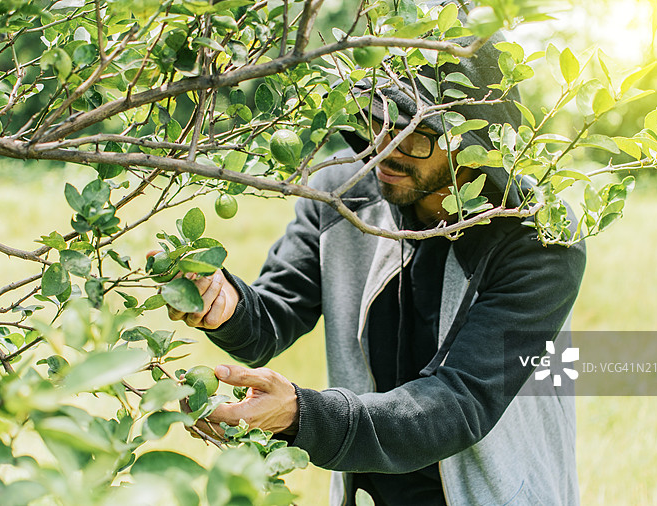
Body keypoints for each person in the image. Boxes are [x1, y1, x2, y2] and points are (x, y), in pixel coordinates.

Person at [164, 12, 586, 506]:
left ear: (473, 146)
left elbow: (460, 403)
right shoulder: (341, 193)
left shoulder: (538, 238)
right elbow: (275, 313)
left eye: (417, 135)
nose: (385, 149)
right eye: (380, 119)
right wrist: (224, 303)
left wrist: (302, 415)